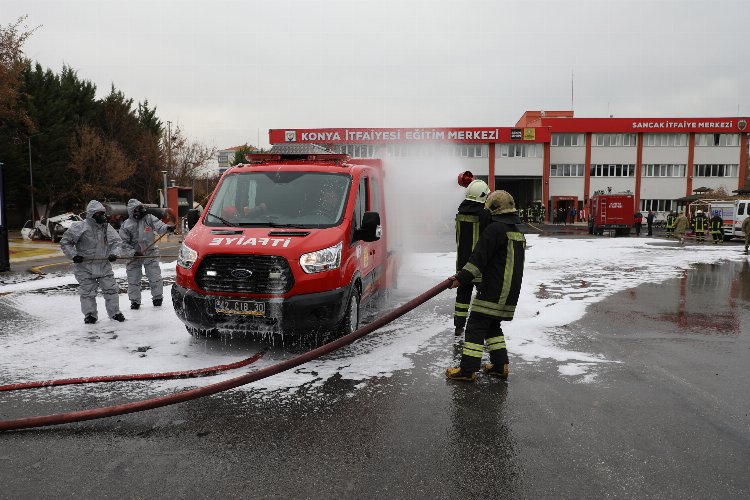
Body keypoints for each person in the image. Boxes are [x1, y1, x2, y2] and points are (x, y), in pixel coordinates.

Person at [446, 190, 526, 382]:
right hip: (509, 293)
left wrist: (461, 278)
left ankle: (467, 370)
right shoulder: (517, 233)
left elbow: (478, 259)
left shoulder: (494, 229)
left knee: (474, 326)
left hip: (493, 290)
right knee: (491, 326)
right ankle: (500, 365)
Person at [60, 200, 125, 324]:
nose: (102, 216)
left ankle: (115, 313)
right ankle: (90, 315)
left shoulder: (106, 227)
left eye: (103, 213)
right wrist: (73, 255)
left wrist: (114, 253)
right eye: (98, 213)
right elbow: (65, 242)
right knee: (87, 293)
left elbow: (117, 242)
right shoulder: (79, 227)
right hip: (85, 267)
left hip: (104, 265)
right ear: (91, 215)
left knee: (111, 290)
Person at [119, 199, 175, 309]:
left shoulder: (149, 218)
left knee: (154, 276)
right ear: (132, 211)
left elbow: (160, 227)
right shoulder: (126, 225)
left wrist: (167, 228)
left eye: (141, 208)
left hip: (150, 253)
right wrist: (133, 253)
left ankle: (157, 298)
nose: (141, 211)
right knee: (133, 279)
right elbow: (123, 243)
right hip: (134, 256)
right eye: (138, 210)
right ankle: (135, 301)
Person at [453, 179, 492, 336]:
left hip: (462, 265)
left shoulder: (460, 214)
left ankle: (458, 327)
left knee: (462, 297)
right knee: (483, 298)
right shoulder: (484, 216)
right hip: (479, 266)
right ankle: (483, 328)